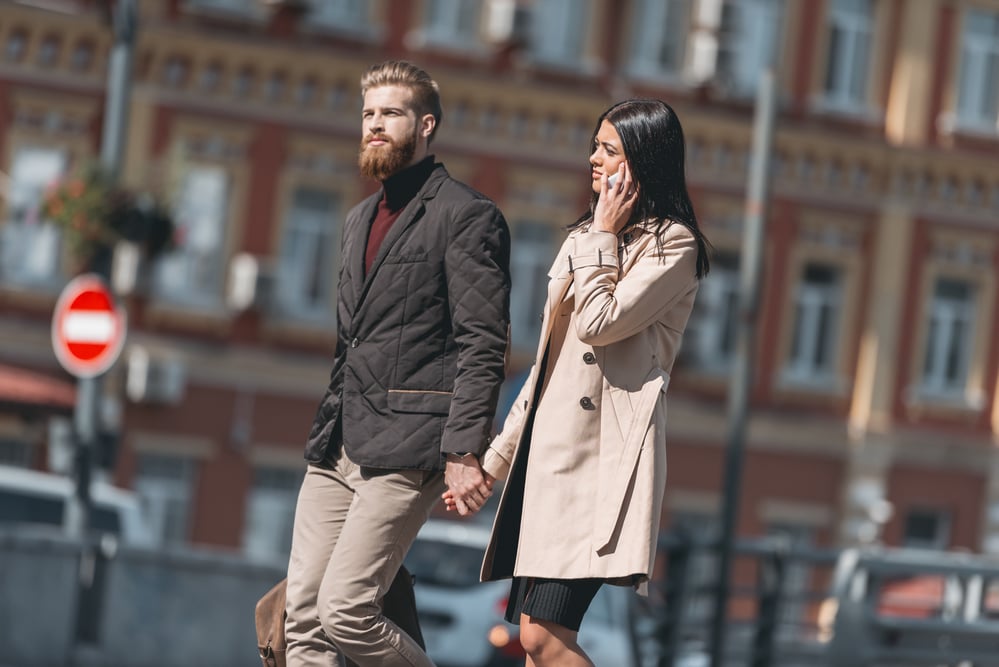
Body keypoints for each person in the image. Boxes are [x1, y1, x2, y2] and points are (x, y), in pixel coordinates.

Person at [445, 98, 711, 666]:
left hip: (596, 469)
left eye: (609, 150)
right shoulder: (584, 238)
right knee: (535, 644)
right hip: (548, 461)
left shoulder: (673, 246)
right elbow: (548, 371)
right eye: (595, 145)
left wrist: (604, 236)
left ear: (642, 161)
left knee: (544, 639)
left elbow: (598, 324)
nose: (592, 159)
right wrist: (494, 461)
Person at [286, 60, 511, 667]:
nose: (375, 126)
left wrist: (465, 450)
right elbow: (352, 341)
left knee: (346, 610)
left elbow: (483, 341)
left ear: (426, 124)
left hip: (409, 445)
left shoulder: (466, 215)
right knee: (301, 621)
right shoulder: (357, 220)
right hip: (337, 439)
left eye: (390, 113)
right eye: (367, 114)